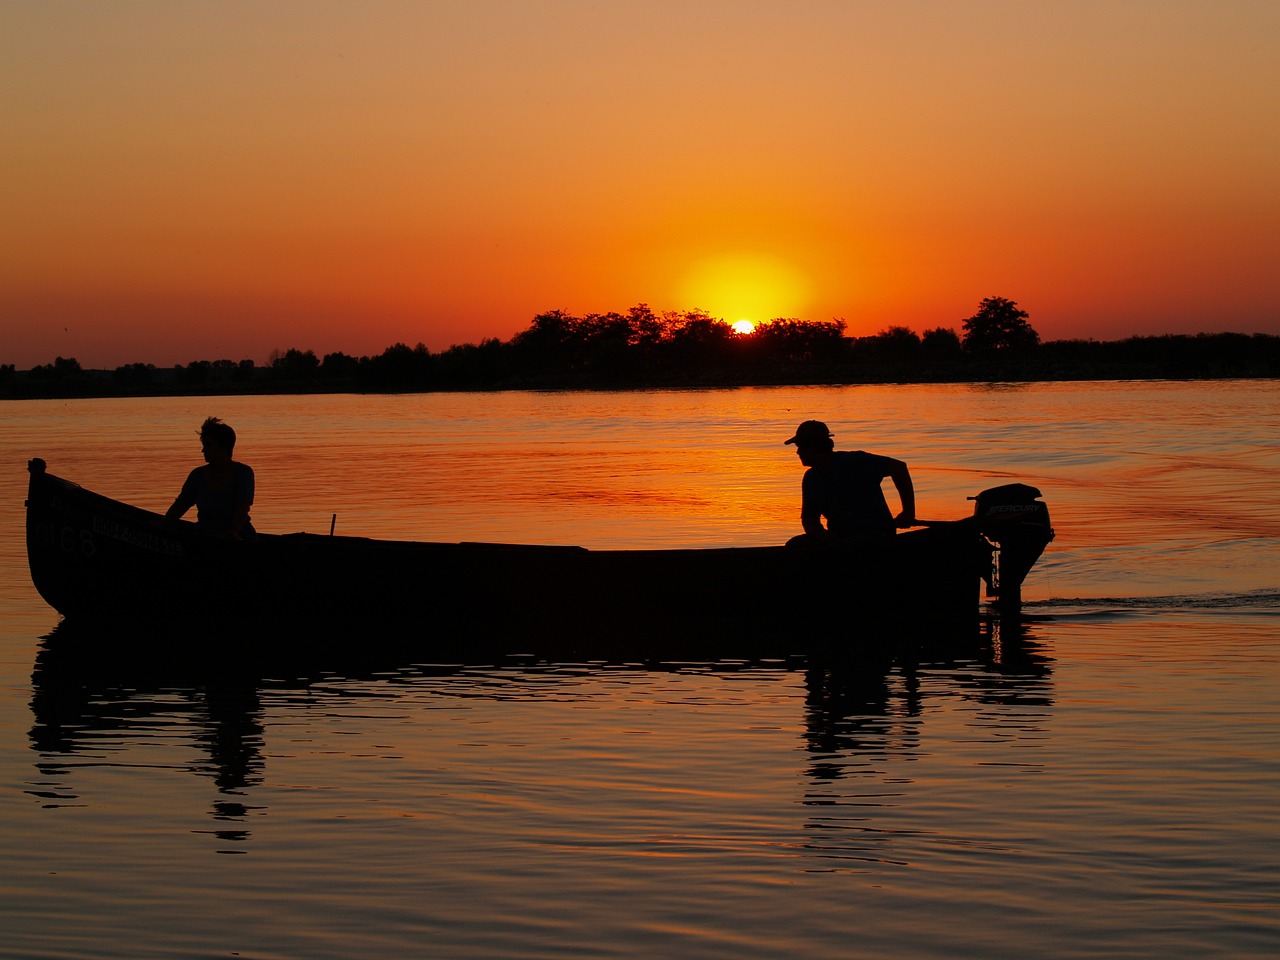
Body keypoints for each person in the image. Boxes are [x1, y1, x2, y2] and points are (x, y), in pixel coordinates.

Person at [784, 419, 915, 544]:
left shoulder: (855, 461)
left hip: (875, 535)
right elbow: (810, 519)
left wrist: (908, 512)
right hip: (839, 537)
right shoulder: (811, 479)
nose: (798, 452)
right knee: (795, 545)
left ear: (813, 446)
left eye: (800, 446)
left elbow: (898, 468)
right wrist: (825, 537)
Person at [165, 416, 256, 539]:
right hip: (204, 535)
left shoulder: (243, 473)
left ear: (223, 447)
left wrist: (233, 533)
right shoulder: (197, 475)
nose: (203, 450)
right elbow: (181, 505)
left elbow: (242, 509)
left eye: (209, 445)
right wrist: (162, 525)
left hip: (240, 537)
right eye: (204, 445)